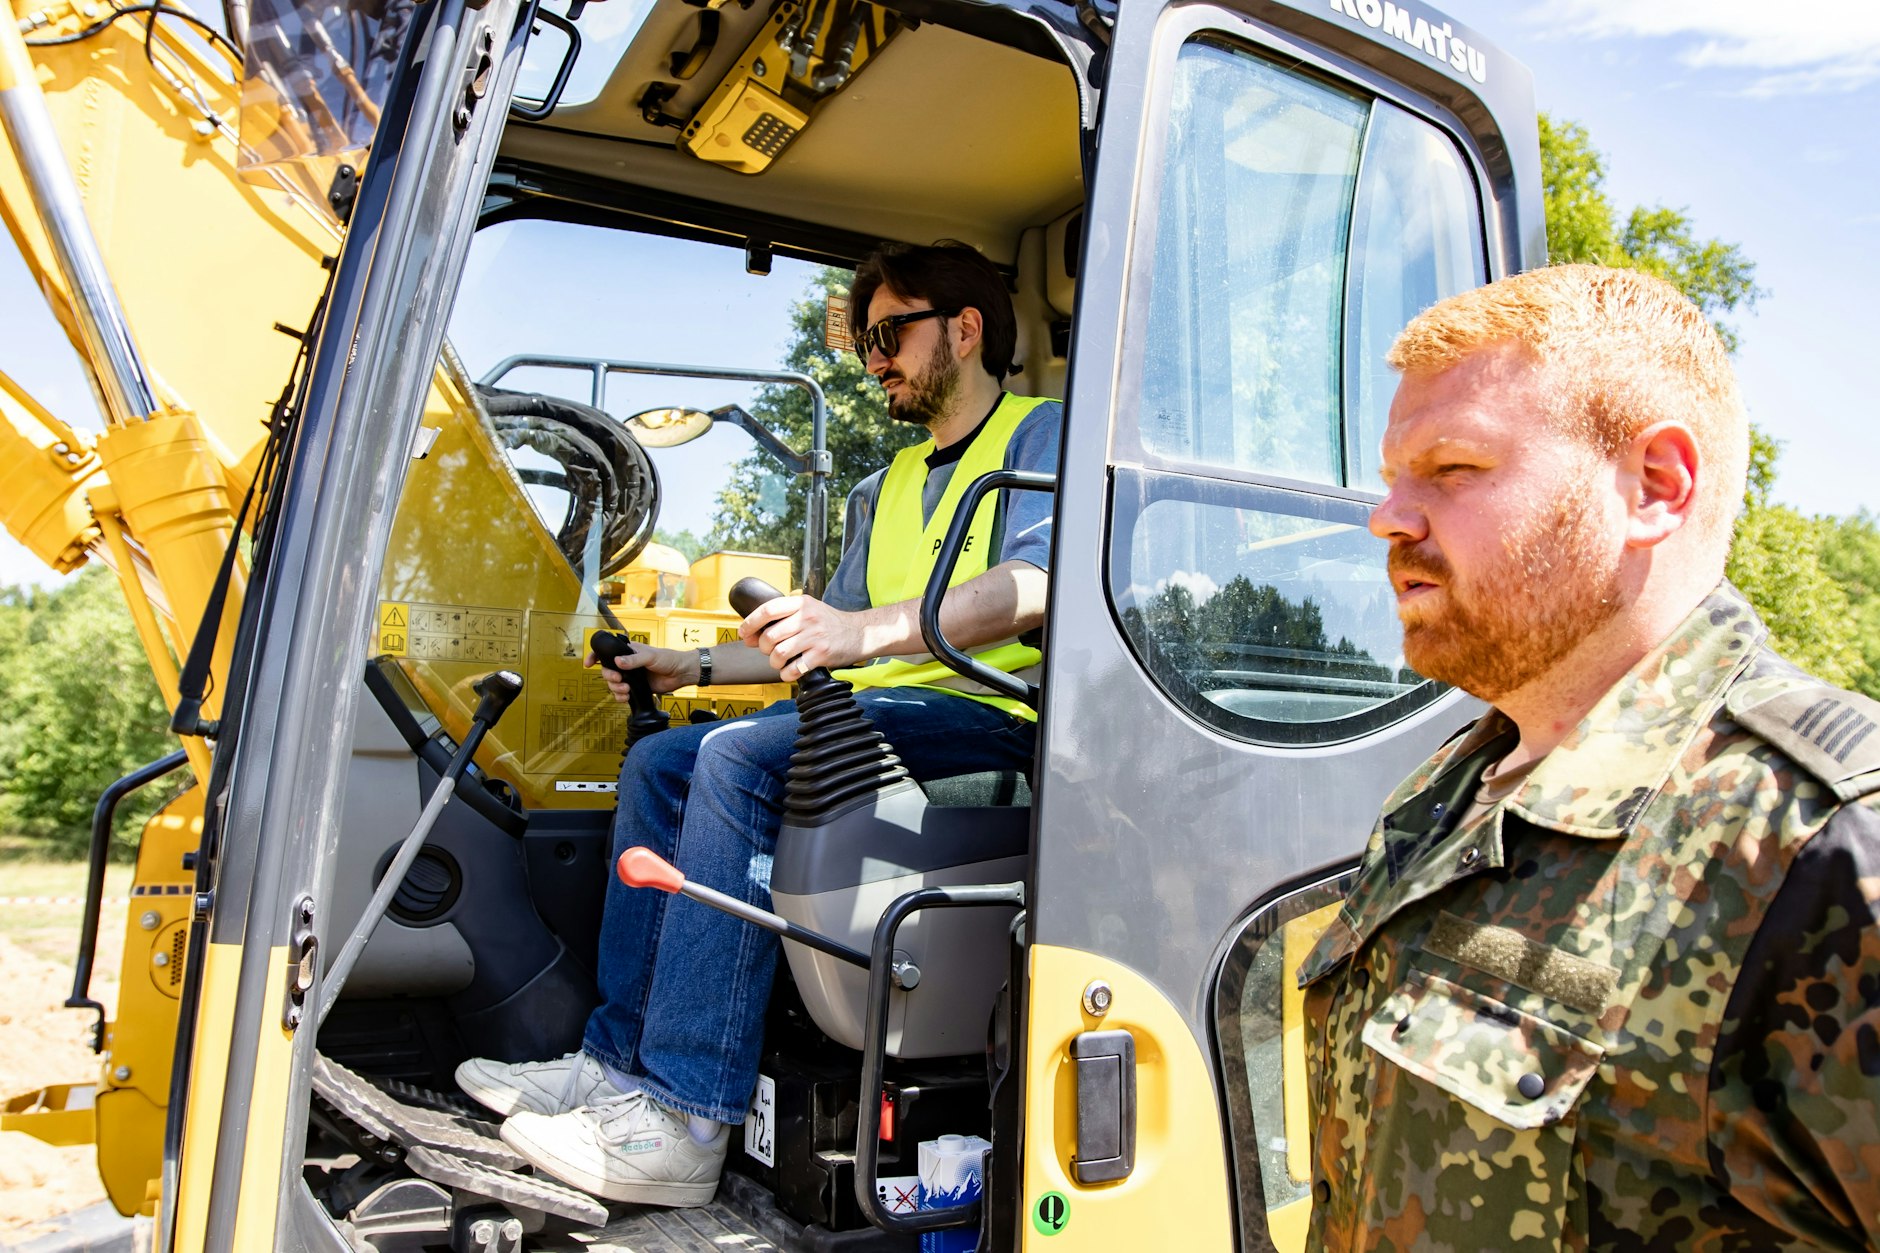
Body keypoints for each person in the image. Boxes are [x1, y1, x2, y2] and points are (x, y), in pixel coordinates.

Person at [454, 241, 1061, 1207]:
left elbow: (1033, 584)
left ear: (965, 328)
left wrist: (862, 633)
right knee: (662, 759)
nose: (873, 361)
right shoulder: (884, 486)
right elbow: (821, 631)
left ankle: (690, 1121)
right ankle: (616, 1068)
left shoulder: (1040, 435)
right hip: (879, 711)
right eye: (865, 343)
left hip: (986, 719)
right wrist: (688, 665)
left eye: (890, 336)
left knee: (737, 760)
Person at [1296, 264, 1880, 1250]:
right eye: (1392, 475)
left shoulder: (1820, 843)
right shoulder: (1446, 791)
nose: (1387, 515)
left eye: (1452, 466)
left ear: (1654, 486)